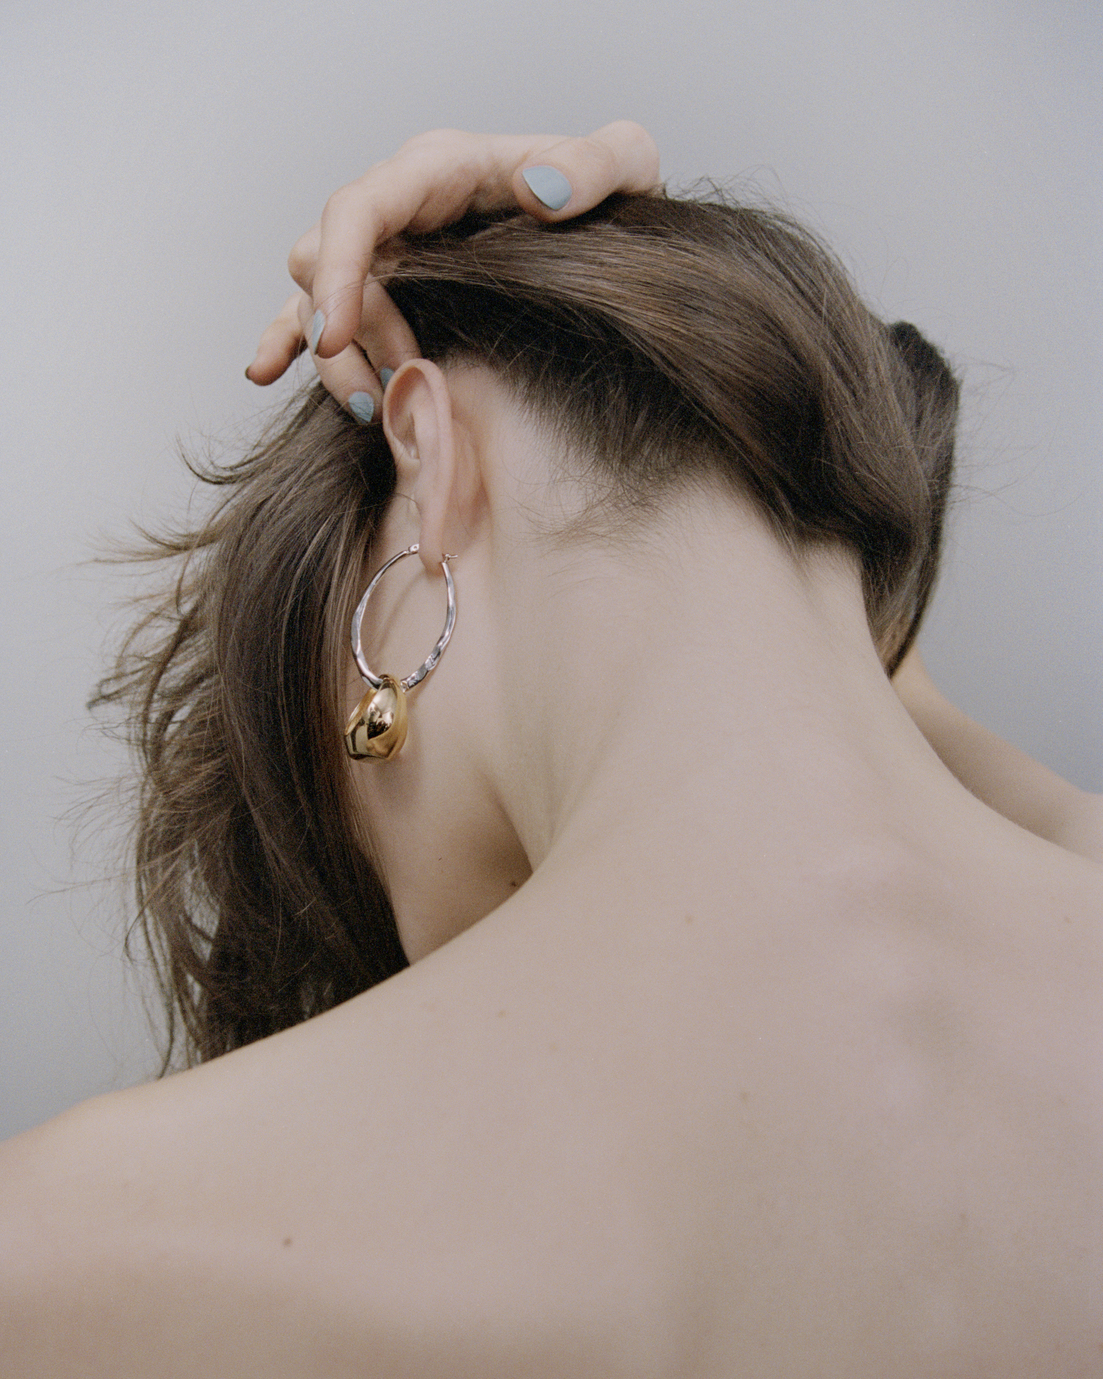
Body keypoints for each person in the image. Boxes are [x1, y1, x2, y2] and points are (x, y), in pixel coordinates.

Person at [1, 124, 1099, 1377]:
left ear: (424, 454)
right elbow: (858, 683)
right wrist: (684, 315)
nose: (398, 930)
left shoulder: (79, 1239)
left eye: (351, 734)